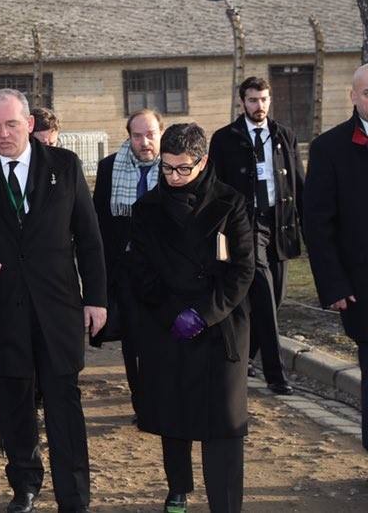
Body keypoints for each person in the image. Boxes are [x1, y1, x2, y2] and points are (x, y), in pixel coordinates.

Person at [0, 88, 106, 513]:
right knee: (14, 402)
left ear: (29, 124)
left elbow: (89, 239)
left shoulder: (64, 167)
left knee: (63, 403)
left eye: (11, 124)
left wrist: (97, 299)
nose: (2, 134)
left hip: (58, 307)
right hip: (2, 306)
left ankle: (74, 494)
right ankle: (24, 483)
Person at [127, 123, 255, 513]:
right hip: (170, 326)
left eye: (183, 169)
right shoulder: (146, 209)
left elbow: (243, 269)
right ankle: (178, 487)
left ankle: (226, 502)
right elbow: (140, 272)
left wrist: (204, 314)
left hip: (220, 325)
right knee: (175, 411)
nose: (174, 177)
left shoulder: (230, 201)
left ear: (203, 162)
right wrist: (173, 314)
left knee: (224, 423)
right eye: (167, 168)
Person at [209, 76, 303, 395]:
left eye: (263, 99)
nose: (259, 106)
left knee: (273, 299)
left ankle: (246, 356)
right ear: (242, 102)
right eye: (252, 100)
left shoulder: (284, 135)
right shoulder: (225, 139)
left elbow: (298, 183)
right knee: (262, 292)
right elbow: (215, 188)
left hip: (280, 224)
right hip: (246, 226)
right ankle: (276, 375)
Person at [304, 63, 368, 453]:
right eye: (367, 93)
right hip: (362, 288)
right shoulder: (329, 149)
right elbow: (318, 225)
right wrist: (334, 284)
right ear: (354, 96)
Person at [91, 108, 163, 416]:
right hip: (126, 272)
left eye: (150, 135)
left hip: (164, 273)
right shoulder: (110, 168)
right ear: (129, 137)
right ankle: (142, 404)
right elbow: (100, 222)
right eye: (137, 136)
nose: (144, 142)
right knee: (133, 342)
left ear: (161, 133)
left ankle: (164, 399)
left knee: (161, 341)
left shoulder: (176, 167)